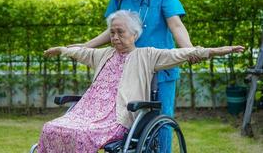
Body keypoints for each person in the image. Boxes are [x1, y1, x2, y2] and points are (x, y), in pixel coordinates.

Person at [38, 10, 244, 153]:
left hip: (116, 118)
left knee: (83, 134)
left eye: (121, 32)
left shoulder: (147, 55)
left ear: (135, 35)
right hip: (88, 113)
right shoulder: (103, 55)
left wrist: (215, 51)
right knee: (51, 127)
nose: (115, 37)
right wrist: (63, 50)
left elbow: (180, 54)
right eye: (112, 33)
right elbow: (81, 52)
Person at [70, 0, 198, 152]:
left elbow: (176, 25)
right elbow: (110, 30)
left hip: (160, 68)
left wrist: (189, 50)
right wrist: (86, 46)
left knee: (161, 118)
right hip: (129, 69)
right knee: (127, 118)